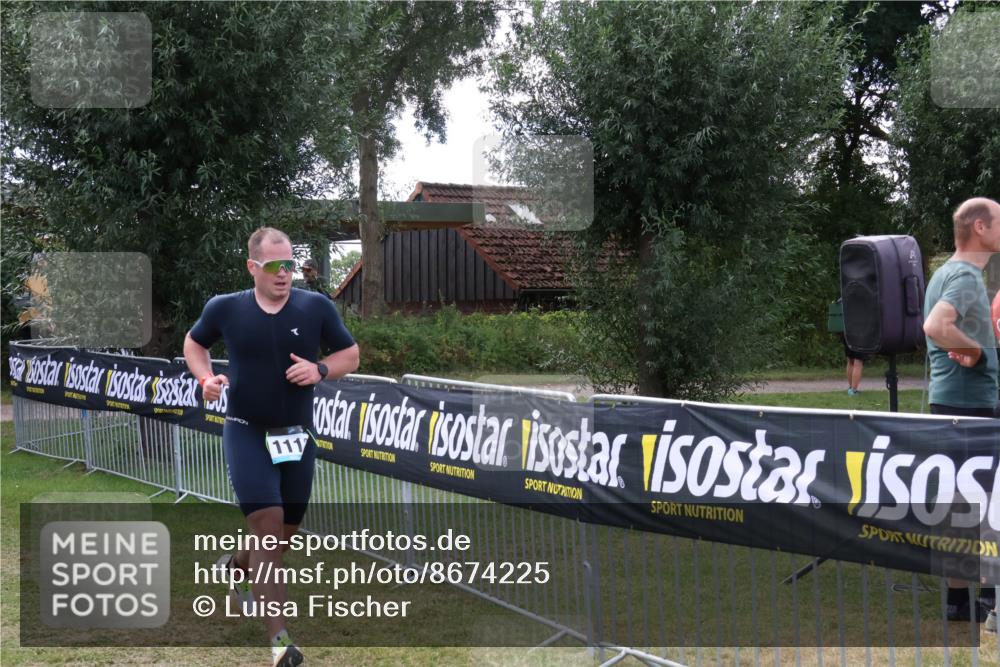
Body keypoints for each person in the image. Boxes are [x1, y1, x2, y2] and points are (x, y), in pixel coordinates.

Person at [183, 227, 360, 666]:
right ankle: (280, 642)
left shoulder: (315, 306)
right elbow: (194, 343)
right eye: (275, 266)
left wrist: (321, 369)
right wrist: (205, 379)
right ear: (253, 267)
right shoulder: (225, 308)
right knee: (267, 522)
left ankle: (237, 565)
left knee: (282, 537)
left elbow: (350, 354)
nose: (285, 274)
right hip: (246, 430)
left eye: (291, 265)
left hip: (296, 436)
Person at [923, 197, 1000, 623]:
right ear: (980, 228)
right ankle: (988, 600)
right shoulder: (967, 278)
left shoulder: (944, 274)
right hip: (970, 407)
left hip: (950, 401)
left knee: (960, 504)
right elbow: (935, 326)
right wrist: (972, 350)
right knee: (985, 504)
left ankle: (958, 603)